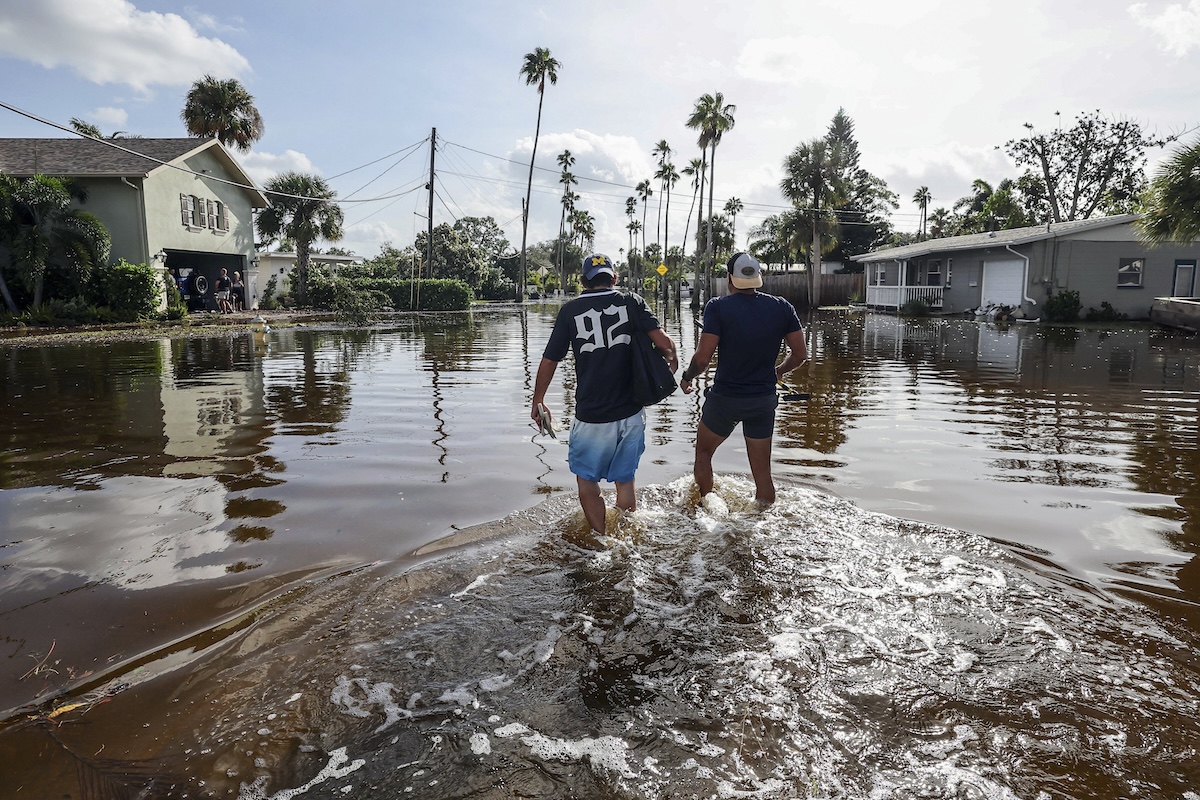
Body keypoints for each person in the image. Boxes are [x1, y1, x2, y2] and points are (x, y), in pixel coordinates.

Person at [532, 253, 679, 535]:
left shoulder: (570, 311)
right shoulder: (631, 301)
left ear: (583, 281)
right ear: (614, 278)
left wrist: (538, 399)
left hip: (592, 415)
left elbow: (550, 360)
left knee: (587, 482)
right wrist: (671, 357)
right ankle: (625, 538)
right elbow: (663, 342)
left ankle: (601, 541)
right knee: (625, 482)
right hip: (631, 412)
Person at [679, 252, 808, 505]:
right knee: (763, 476)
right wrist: (778, 371)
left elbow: (703, 359)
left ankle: (707, 510)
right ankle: (763, 515)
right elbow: (801, 354)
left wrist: (686, 377)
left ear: (730, 278)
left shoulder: (717, 307)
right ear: (758, 277)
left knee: (703, 454)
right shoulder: (782, 307)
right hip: (762, 400)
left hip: (726, 399)